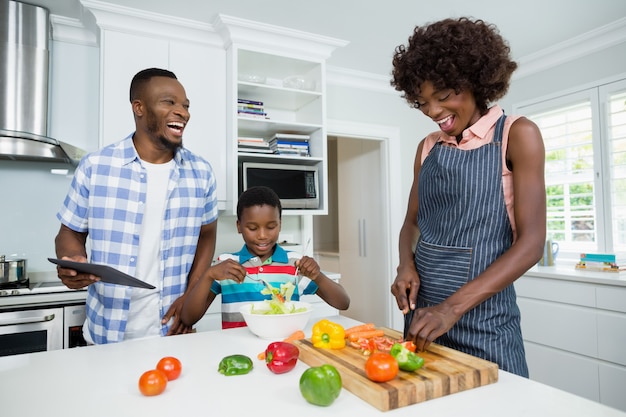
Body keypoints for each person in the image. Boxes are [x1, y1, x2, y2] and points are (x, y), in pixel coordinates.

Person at [389, 17, 546, 377]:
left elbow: (531, 245)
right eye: (422, 102)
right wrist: (405, 265)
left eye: (442, 97)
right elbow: (412, 223)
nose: (432, 112)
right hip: (423, 322)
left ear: (475, 82)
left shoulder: (518, 134)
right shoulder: (427, 147)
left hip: (486, 326)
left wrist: (452, 308)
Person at [54, 67, 219, 344]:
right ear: (139, 107)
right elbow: (69, 232)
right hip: (104, 332)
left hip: (171, 331)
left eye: (186, 105)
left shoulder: (201, 172)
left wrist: (191, 295)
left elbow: (207, 235)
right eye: (169, 102)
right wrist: (73, 262)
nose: (183, 112)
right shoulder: (96, 166)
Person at [181, 185, 350, 329]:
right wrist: (209, 274)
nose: (262, 235)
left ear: (280, 224)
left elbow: (343, 303)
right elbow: (189, 318)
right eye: (253, 228)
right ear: (239, 226)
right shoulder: (226, 265)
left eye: (271, 227)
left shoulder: (294, 263)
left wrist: (317, 276)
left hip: (284, 349)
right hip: (239, 353)